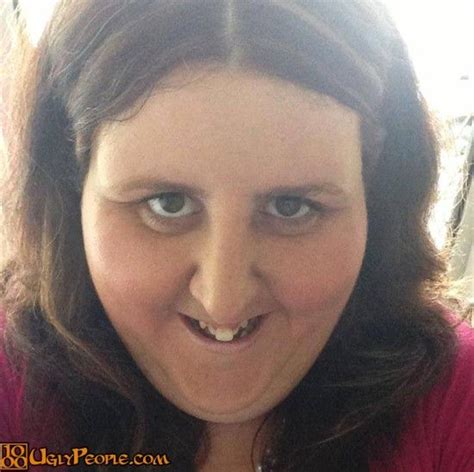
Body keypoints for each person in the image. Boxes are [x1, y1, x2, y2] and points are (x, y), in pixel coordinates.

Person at [0, 0, 473, 471]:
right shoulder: (15, 394)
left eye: (291, 207)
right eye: (167, 203)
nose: (222, 301)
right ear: (71, 191)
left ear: (375, 197)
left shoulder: (456, 401)